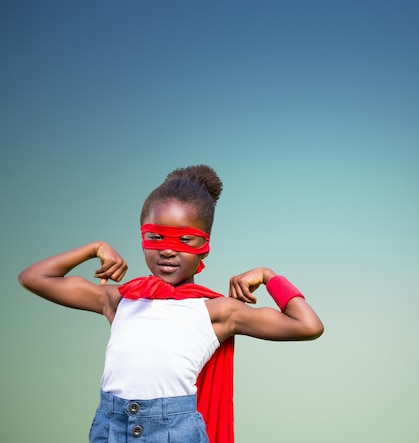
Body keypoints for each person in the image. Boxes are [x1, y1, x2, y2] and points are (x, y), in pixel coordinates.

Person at [18, 165, 324, 443]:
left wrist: (269, 276)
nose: (167, 251)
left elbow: (308, 326)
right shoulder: (119, 299)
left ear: (205, 247)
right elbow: (34, 277)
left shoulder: (217, 311)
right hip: (110, 427)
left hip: (174, 431)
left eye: (184, 240)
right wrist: (93, 248)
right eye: (156, 236)